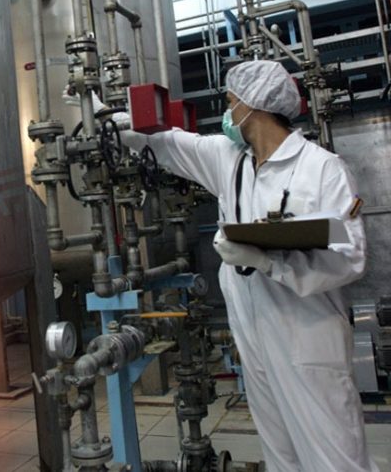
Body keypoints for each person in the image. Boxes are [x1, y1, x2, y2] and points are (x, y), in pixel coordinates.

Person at [108, 60, 377, 471]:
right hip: (253, 336)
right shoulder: (230, 160)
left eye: (232, 102)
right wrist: (107, 117)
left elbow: (350, 256)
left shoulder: (322, 168)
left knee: (334, 456)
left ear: (254, 106)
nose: (228, 112)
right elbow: (167, 144)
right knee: (280, 454)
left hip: (308, 338)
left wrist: (268, 261)